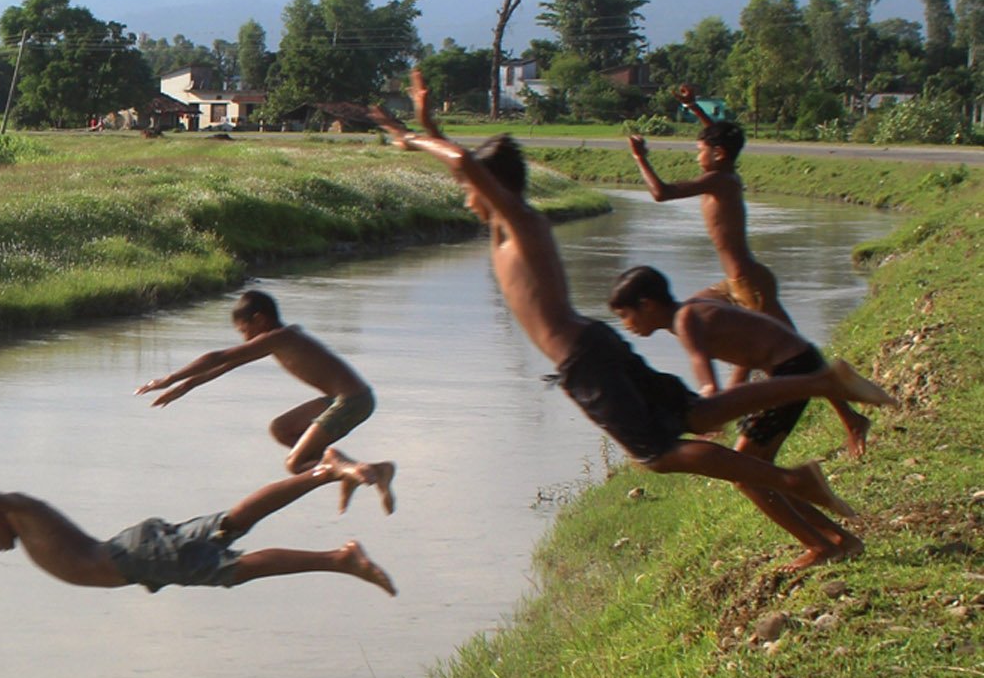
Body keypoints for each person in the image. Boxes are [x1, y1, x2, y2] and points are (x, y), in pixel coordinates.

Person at [369, 71, 894, 518]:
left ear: (493, 189)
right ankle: (823, 380)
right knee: (695, 415)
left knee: (660, 455)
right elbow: (464, 164)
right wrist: (426, 126)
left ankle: (792, 480)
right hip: (592, 348)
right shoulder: (503, 230)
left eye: (472, 192)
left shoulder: (522, 222)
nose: (466, 200)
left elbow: (464, 166)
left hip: (583, 359)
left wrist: (415, 139)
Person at [0, 403, 397, 595]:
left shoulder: (20, 511)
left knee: (233, 567)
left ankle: (339, 558)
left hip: (137, 556)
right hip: (137, 553)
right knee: (231, 523)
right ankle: (327, 472)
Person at [626, 84, 872, 457]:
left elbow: (661, 193)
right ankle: (725, 401)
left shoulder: (719, 180)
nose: (698, 157)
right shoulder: (727, 171)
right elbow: (723, 139)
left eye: (701, 150)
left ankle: (850, 417)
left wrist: (641, 157)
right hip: (734, 282)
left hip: (750, 285)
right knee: (689, 313)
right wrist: (696, 109)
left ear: (718, 154)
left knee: (799, 358)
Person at [608, 265, 864, 567]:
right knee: (756, 469)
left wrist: (707, 412)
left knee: (747, 475)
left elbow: (707, 382)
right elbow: (743, 348)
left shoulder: (685, 321)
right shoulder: (694, 307)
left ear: (647, 305)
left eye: (625, 315)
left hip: (790, 372)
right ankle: (836, 540)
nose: (626, 325)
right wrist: (732, 400)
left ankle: (827, 544)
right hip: (794, 367)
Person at [135, 289, 394, 501]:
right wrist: (183, 387)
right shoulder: (281, 338)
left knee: (295, 464)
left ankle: (356, 469)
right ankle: (347, 469)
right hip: (346, 398)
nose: (244, 338)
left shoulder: (282, 338)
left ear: (259, 320)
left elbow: (218, 357)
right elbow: (225, 365)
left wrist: (168, 378)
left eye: (243, 331)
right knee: (281, 428)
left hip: (351, 401)